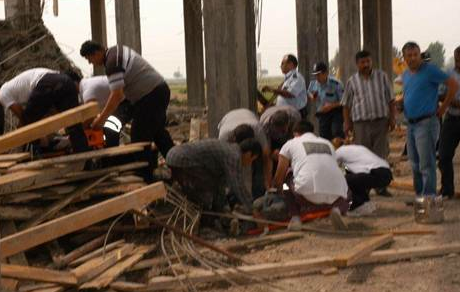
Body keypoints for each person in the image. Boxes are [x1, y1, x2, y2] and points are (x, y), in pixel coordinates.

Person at [79, 41, 174, 158]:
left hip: (150, 95)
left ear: (97, 53)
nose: (90, 62)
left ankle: (143, 173)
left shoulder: (112, 63)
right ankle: (178, 166)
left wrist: (100, 120)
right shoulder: (116, 52)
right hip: (156, 92)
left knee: (139, 137)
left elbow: (117, 95)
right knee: (158, 133)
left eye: (90, 58)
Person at [402, 42, 458, 199]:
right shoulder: (406, 75)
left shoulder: (430, 70)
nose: (413, 58)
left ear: (420, 55)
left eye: (416, 54)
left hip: (426, 123)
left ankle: (429, 197)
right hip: (411, 124)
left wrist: (443, 107)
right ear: (404, 58)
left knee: (426, 164)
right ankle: (420, 196)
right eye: (409, 55)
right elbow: (409, 94)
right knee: (414, 163)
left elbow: (453, 85)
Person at [272, 120, 348, 231]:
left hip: (305, 197)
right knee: (341, 181)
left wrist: (277, 191)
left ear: (295, 134)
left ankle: (295, 217)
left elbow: (279, 176)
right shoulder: (327, 143)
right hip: (335, 198)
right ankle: (337, 210)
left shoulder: (290, 143)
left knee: (288, 175)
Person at [342, 50, 396, 197]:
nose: (366, 65)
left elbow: (391, 99)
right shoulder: (352, 81)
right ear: (357, 64)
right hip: (361, 124)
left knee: (380, 156)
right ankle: (364, 187)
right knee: (363, 157)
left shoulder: (382, 77)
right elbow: (346, 105)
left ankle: (380, 187)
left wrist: (392, 118)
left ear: (371, 62)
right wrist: (347, 123)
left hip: (380, 122)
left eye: (368, 61)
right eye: (362, 62)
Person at [0, 67, 89, 153]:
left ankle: (36, 151)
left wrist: (18, 134)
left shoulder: (2, 93)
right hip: (66, 82)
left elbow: (23, 117)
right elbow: (46, 111)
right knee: (73, 123)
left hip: (47, 82)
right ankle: (85, 158)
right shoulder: (19, 90)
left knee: (27, 121)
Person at [166, 138, 262, 215]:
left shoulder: (230, 149)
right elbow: (237, 185)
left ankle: (211, 213)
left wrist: (222, 207)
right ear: (249, 154)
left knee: (212, 183)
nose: (250, 163)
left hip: (174, 155)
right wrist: (252, 209)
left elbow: (220, 182)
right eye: (252, 160)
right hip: (180, 159)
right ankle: (202, 215)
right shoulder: (234, 156)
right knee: (207, 187)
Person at [218, 109, 271, 198]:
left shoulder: (258, 132)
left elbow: (266, 157)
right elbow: (224, 164)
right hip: (228, 119)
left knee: (257, 166)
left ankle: (257, 195)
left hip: (248, 116)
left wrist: (267, 181)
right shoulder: (224, 137)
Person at [333, 138, 393, 216]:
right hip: (386, 173)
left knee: (344, 180)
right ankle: (365, 203)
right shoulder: (357, 148)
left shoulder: (339, 151)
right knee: (354, 179)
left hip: (377, 172)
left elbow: (331, 167)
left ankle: (358, 205)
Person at [77, 75, 132, 147]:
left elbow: (90, 116)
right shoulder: (86, 85)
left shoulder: (87, 89)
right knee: (107, 125)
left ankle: (112, 154)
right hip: (122, 101)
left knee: (111, 125)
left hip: (126, 100)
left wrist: (79, 131)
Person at [438, 47, 460, 199]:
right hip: (452, 119)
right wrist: (451, 101)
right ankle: (447, 190)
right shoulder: (448, 75)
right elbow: (440, 94)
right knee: (444, 155)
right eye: (458, 59)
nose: (459, 62)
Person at [308, 61, 344, 140]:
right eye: (315, 75)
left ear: (326, 73)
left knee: (337, 133)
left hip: (336, 112)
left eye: (318, 75)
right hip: (323, 113)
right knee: (324, 136)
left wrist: (331, 106)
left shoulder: (336, 84)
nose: (316, 77)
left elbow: (343, 101)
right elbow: (309, 93)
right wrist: (312, 97)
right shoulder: (313, 84)